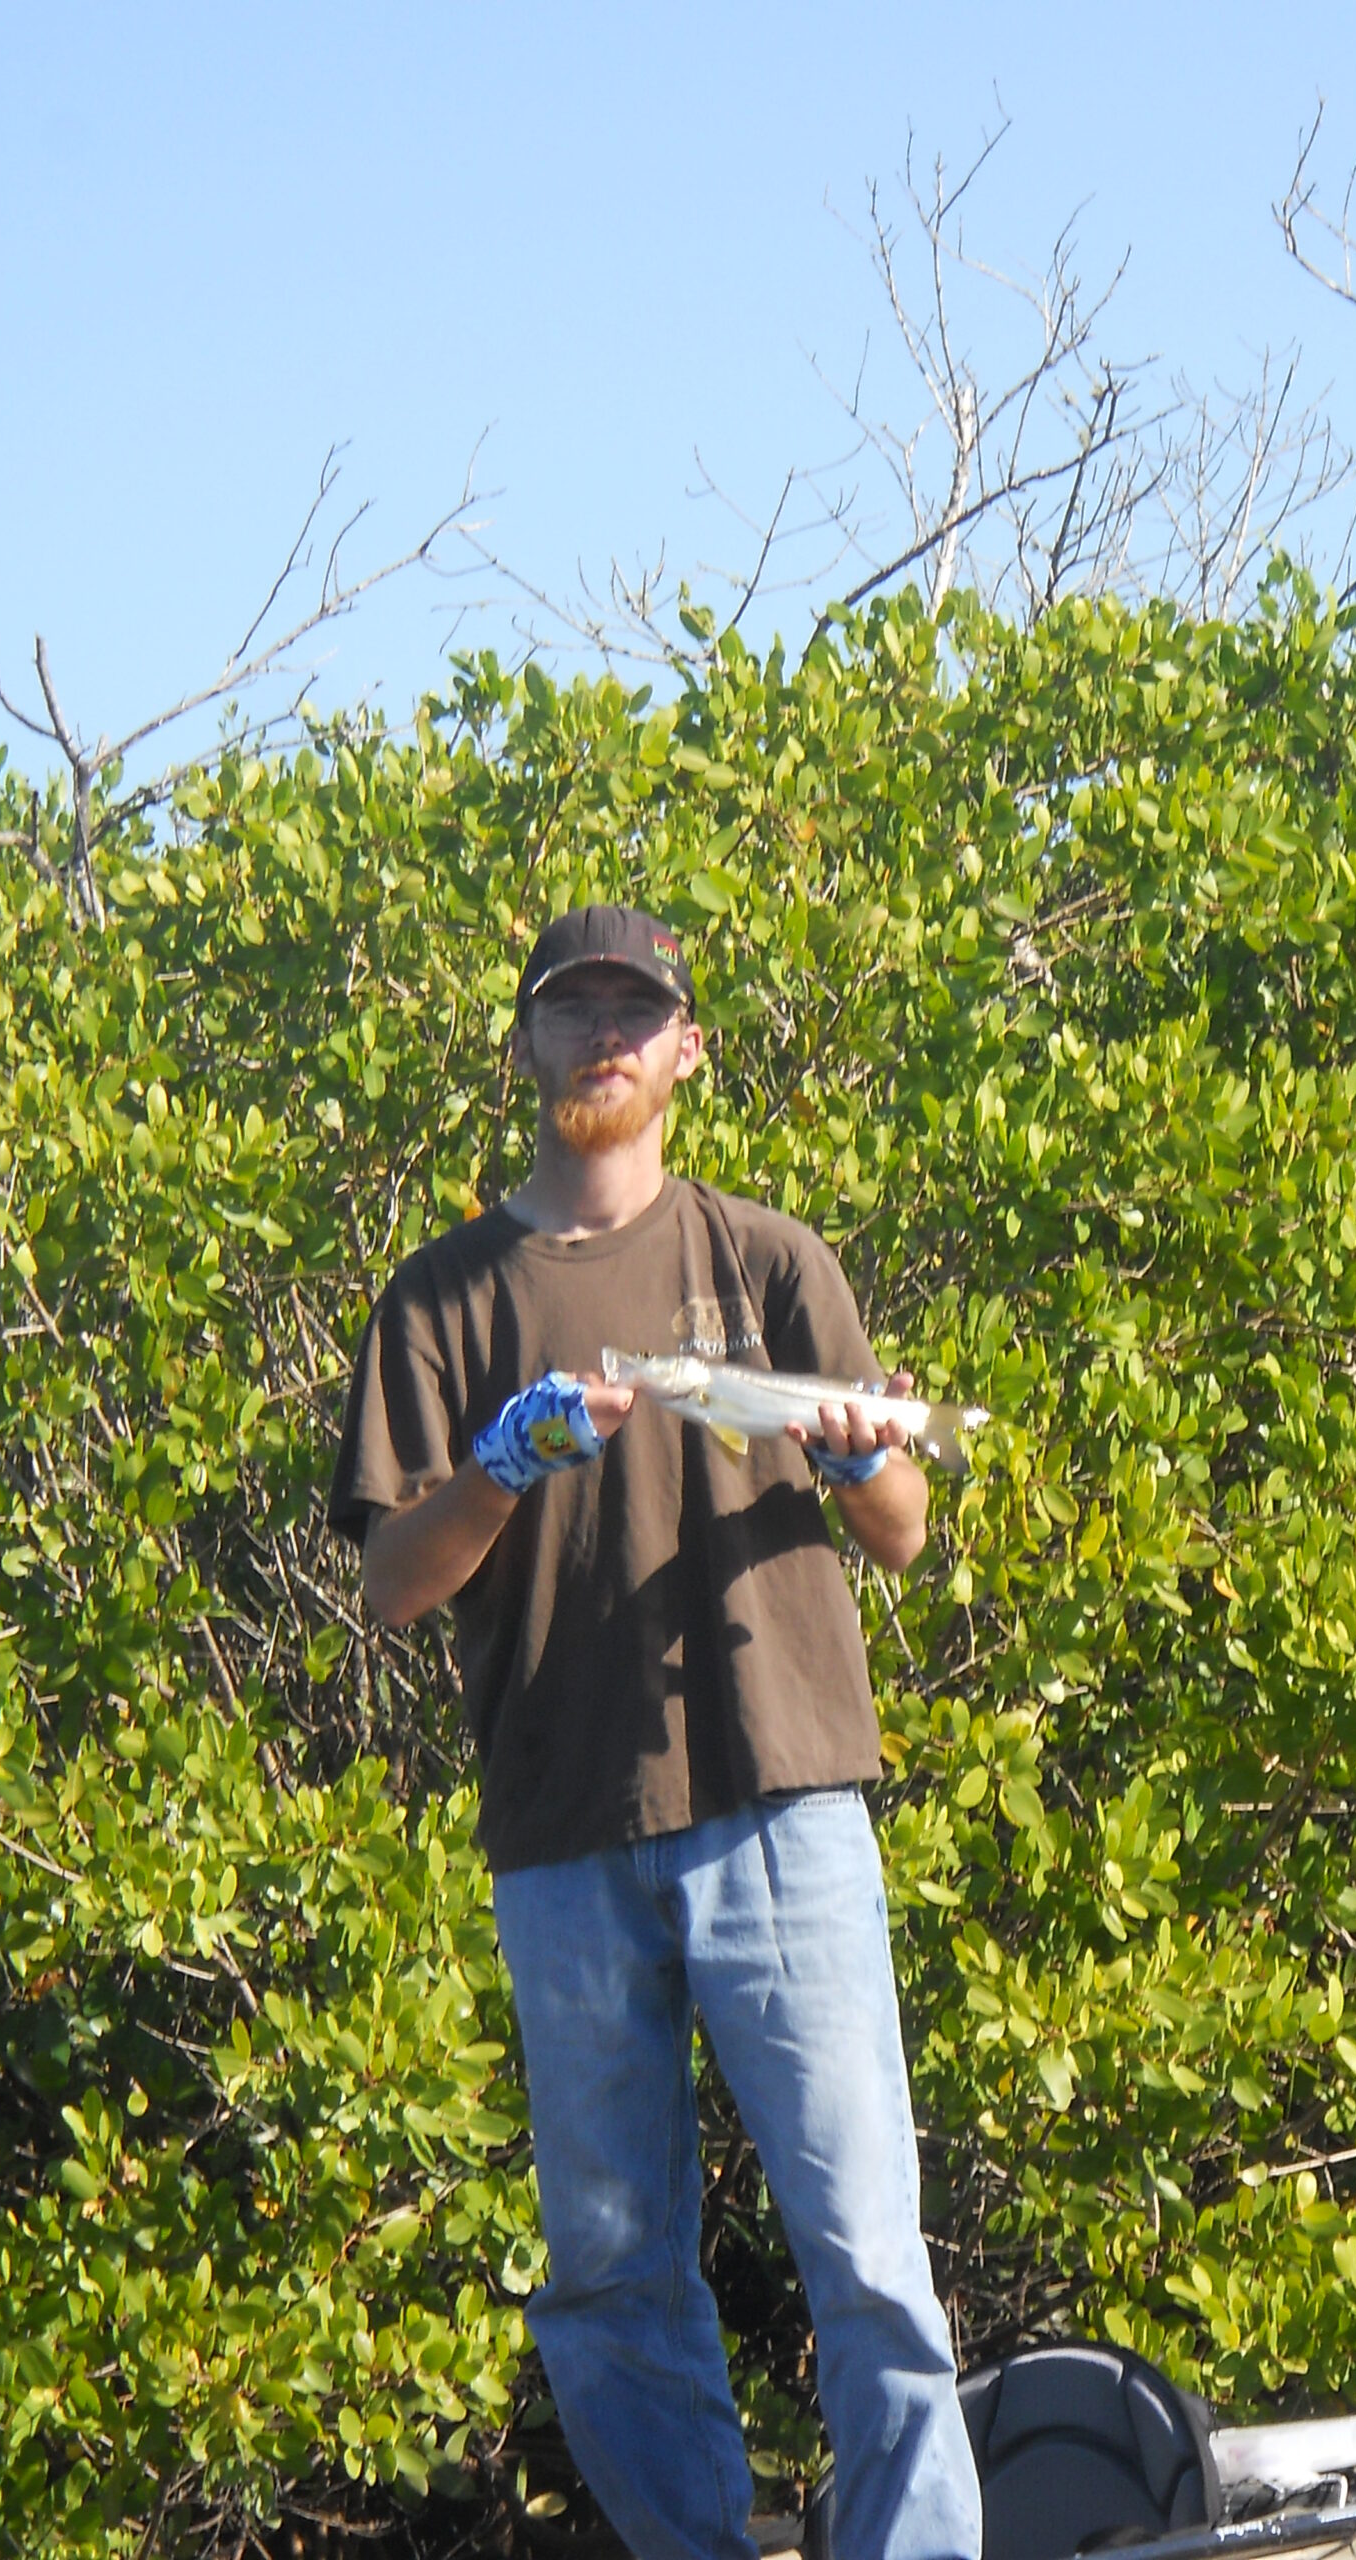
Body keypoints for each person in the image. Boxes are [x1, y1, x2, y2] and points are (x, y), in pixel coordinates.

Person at [328, 905, 982, 2560]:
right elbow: (393, 1582)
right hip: (562, 1843)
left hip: (785, 1809)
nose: (606, 1037)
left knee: (866, 2260)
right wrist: (504, 1463)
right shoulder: (438, 1303)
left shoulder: (770, 1263)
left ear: (687, 1048)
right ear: (527, 1047)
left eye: (638, 1013)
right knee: (611, 2281)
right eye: (575, 1011)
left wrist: (851, 1453)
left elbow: (904, 1528)